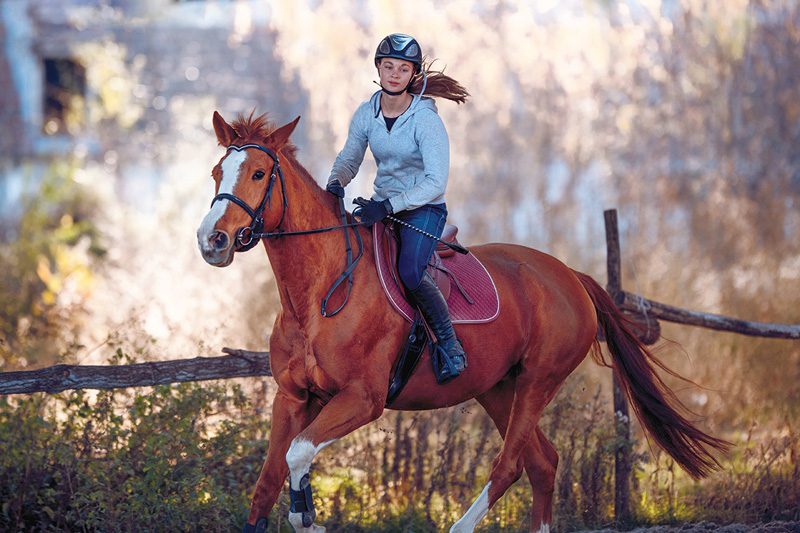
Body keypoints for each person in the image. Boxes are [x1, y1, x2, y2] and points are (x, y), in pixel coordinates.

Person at [325, 33, 470, 384]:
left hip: (424, 209)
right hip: (382, 206)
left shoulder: (426, 120)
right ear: (378, 68)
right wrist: (335, 183)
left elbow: (436, 182)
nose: (394, 74)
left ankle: (449, 345)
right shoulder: (366, 114)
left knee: (409, 271)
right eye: (388, 66)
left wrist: (390, 205)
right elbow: (349, 159)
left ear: (412, 74)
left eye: (403, 69)